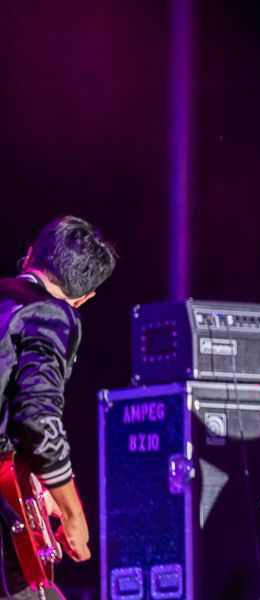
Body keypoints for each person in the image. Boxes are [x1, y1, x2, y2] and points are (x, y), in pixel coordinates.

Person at [0, 216, 117, 599]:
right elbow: (37, 417)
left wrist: (31, 479)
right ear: (84, 298)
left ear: (30, 255)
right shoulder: (52, 314)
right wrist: (73, 513)